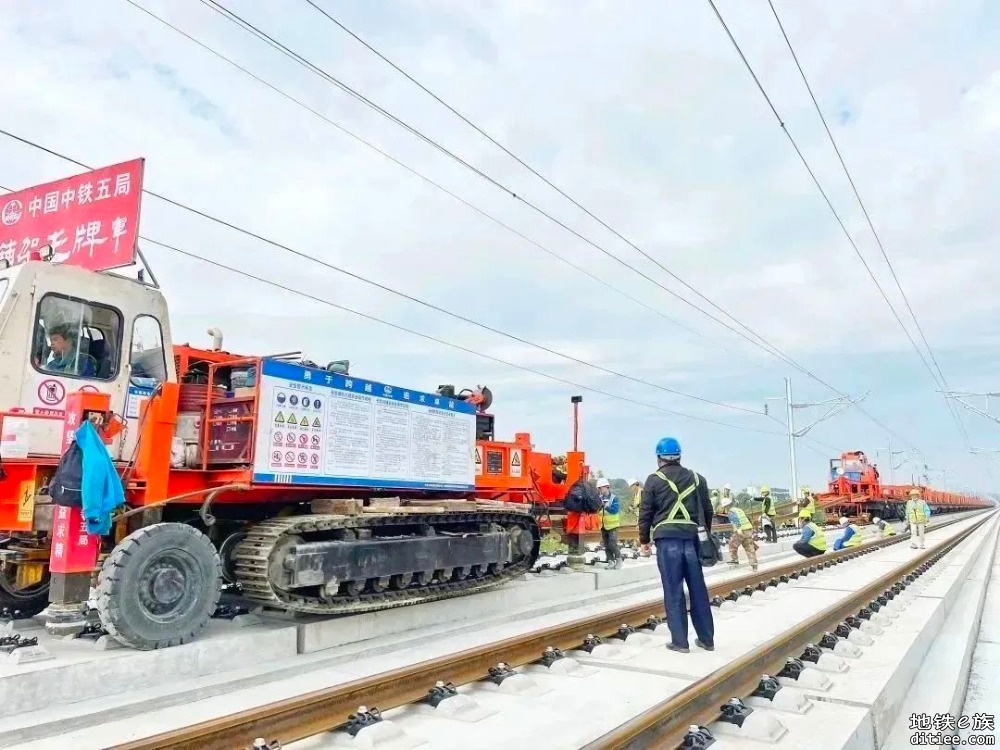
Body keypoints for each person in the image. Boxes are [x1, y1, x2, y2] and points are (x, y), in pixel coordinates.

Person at [638, 436, 715, 653]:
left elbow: (646, 513)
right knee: (698, 588)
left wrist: (644, 540)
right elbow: (707, 511)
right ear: (679, 455)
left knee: (673, 590)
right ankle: (707, 639)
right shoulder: (697, 478)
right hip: (692, 538)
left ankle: (680, 642)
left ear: (659, 458)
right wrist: (704, 536)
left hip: (667, 540)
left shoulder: (654, 480)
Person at [720, 497, 759, 571]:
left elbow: (735, 519)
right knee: (749, 547)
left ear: (726, 506)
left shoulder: (731, 512)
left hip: (741, 530)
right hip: (748, 529)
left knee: (732, 544)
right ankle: (754, 565)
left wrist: (738, 529)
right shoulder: (739, 510)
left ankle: (735, 560)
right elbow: (747, 518)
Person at [596, 477, 623, 570]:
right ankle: (610, 561)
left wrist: (606, 507)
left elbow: (614, 510)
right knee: (606, 545)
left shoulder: (614, 498)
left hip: (612, 525)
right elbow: (597, 510)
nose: (600, 490)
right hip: (603, 525)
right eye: (598, 488)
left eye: (601, 488)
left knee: (612, 543)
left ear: (607, 487)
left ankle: (619, 559)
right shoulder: (599, 498)